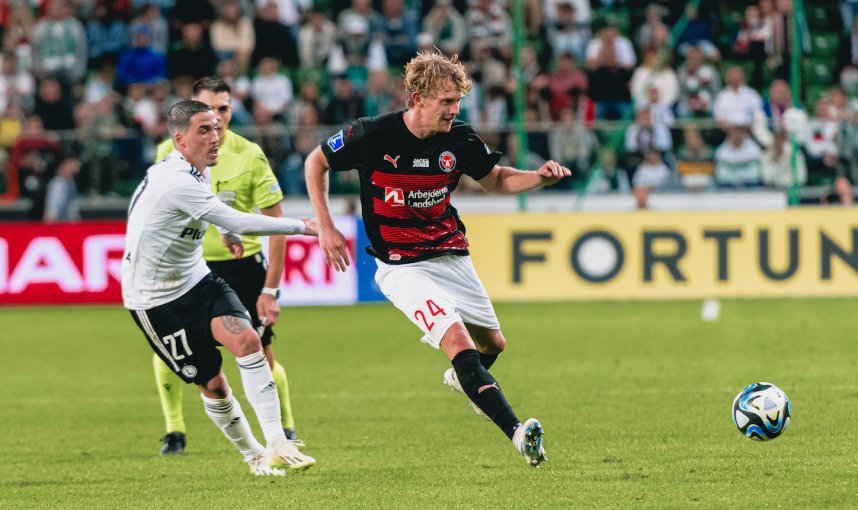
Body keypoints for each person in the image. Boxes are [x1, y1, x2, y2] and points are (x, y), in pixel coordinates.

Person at [304, 51, 571, 467]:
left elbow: (495, 179)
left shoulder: (459, 138)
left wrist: (540, 177)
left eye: (458, 100)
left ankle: (463, 380)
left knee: (493, 344)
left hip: (451, 254)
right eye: (447, 101)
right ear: (417, 99)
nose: (455, 109)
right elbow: (316, 160)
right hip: (402, 266)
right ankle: (519, 435)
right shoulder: (371, 134)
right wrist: (326, 225)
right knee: (458, 341)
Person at [123, 99, 318, 476]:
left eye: (216, 127)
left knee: (248, 340)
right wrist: (304, 226)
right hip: (155, 298)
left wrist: (224, 232)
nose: (216, 137)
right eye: (204, 130)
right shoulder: (176, 180)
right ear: (180, 139)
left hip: (197, 279)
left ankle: (278, 442)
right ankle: (254, 455)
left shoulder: (197, 170)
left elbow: (212, 212)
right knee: (213, 384)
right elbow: (240, 220)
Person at [151, 77, 301, 456]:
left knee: (259, 352)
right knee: (169, 353)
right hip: (186, 270)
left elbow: (274, 220)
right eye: (209, 110)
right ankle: (174, 430)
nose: (217, 119)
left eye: (224, 109)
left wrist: (270, 289)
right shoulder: (168, 152)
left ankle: (284, 427)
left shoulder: (249, 154)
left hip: (241, 270)